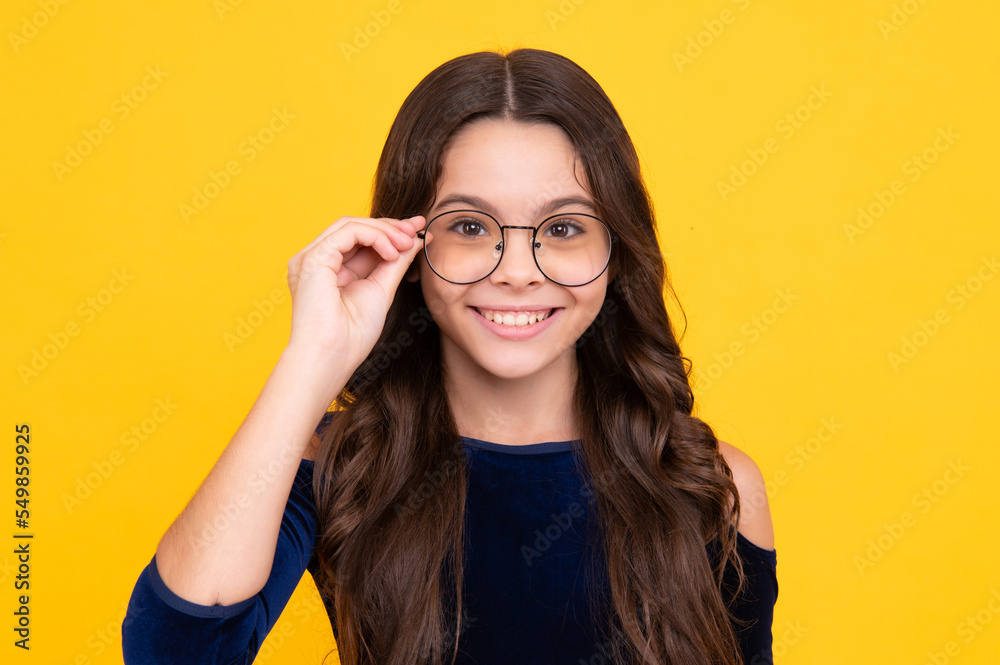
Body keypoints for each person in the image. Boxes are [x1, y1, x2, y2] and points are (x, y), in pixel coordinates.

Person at [122, 47, 777, 665]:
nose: (517, 271)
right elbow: (173, 646)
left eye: (564, 228)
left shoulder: (712, 485)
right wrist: (313, 356)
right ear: (405, 246)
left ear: (617, 253)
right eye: (469, 226)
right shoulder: (346, 467)